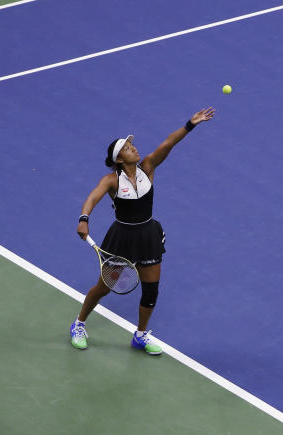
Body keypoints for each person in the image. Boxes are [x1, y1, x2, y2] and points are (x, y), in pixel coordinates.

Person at [70, 107, 216, 354]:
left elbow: (168, 144)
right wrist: (84, 218)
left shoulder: (148, 166)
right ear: (119, 159)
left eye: (132, 146)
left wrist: (190, 124)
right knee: (103, 287)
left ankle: (140, 335)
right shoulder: (111, 180)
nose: (134, 148)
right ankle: (79, 324)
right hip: (122, 238)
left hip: (148, 234)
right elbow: (92, 198)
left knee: (151, 290)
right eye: (127, 148)